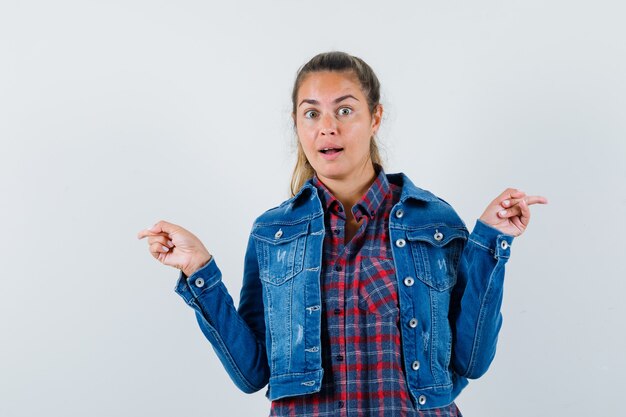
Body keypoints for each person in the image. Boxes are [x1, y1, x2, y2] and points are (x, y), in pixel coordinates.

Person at [137, 51, 547, 417]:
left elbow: (471, 359)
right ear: (297, 125)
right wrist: (199, 270)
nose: (327, 128)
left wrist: (492, 240)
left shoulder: (434, 222)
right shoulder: (273, 234)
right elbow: (252, 374)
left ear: (375, 118)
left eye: (345, 110)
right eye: (311, 113)